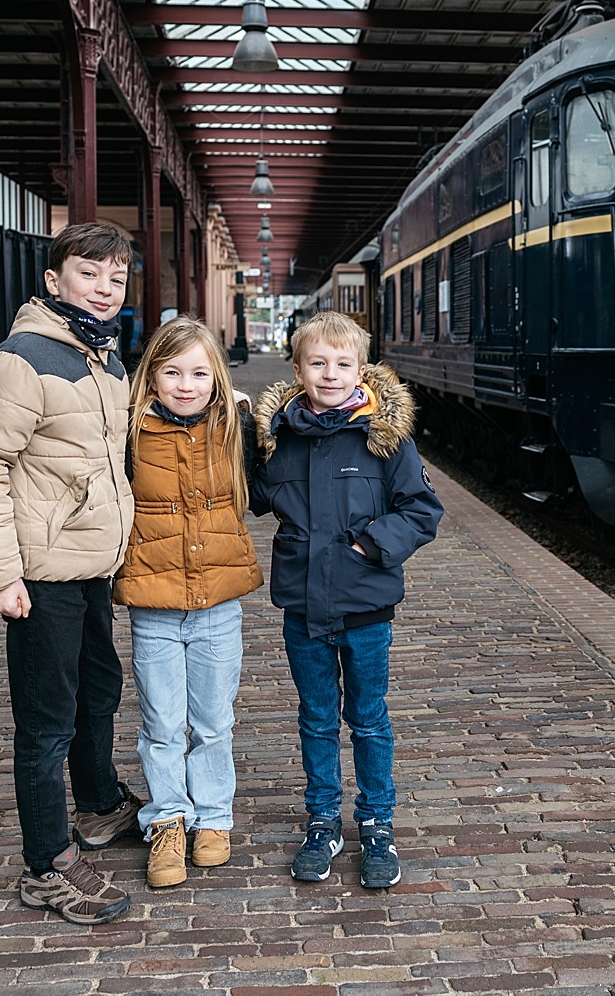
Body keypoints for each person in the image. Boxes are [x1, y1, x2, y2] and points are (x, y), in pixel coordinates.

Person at [0, 220, 144, 926]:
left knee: (100, 687)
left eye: (116, 278)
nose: (103, 288)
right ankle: (46, 864)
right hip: (42, 574)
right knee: (45, 722)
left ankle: (97, 806)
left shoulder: (105, 359)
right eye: (90, 273)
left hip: (91, 564)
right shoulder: (24, 358)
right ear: (54, 280)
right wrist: (1, 575)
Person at [251, 311, 444, 888]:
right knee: (315, 719)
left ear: (362, 369)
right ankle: (323, 821)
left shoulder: (386, 440)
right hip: (303, 608)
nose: (329, 374)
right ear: (298, 369)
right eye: (317, 363)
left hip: (365, 609)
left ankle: (377, 822)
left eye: (342, 364)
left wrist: (369, 544)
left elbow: (422, 510)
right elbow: (251, 495)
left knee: (367, 719)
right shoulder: (277, 440)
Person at [114, 317, 263, 889]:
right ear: (150, 376)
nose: (185, 384)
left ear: (218, 377)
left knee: (213, 721)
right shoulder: (128, 432)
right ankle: (169, 820)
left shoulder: (236, 429)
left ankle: (214, 820)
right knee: (161, 725)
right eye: (172, 371)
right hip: (152, 603)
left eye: (200, 372)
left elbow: (284, 478)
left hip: (218, 605)